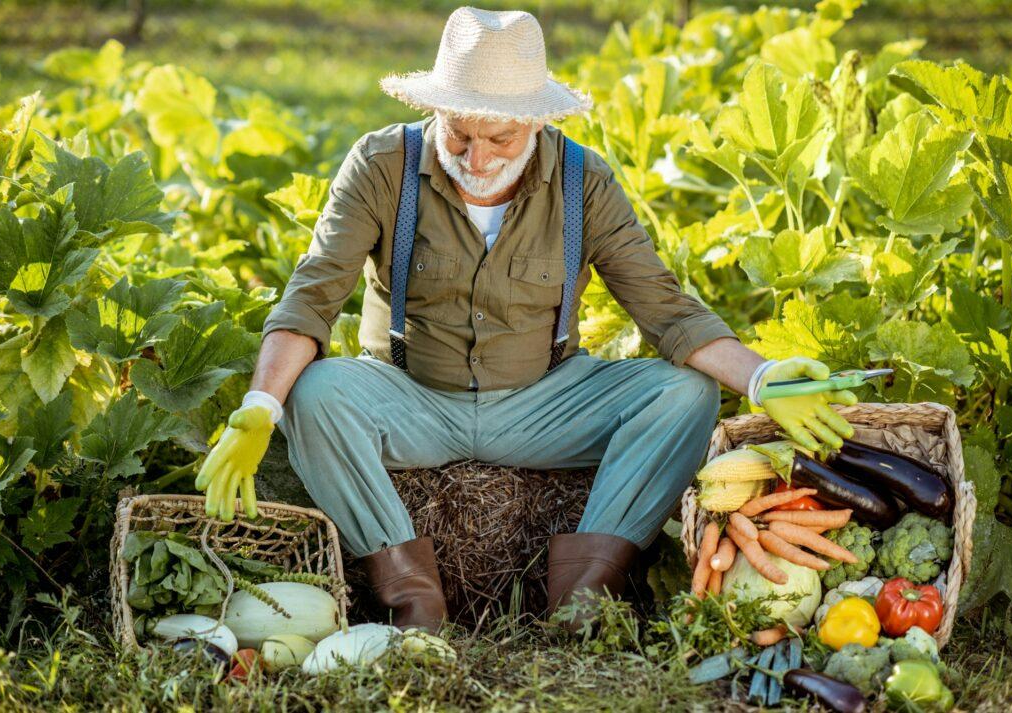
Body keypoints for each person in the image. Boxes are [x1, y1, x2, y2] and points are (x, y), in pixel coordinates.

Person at [194, 7, 857, 634]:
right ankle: (412, 601)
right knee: (316, 392)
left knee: (686, 392)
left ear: (536, 122)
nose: (476, 158)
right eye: (459, 133)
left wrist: (764, 377)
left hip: (545, 401)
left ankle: (585, 599)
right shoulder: (381, 166)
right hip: (409, 398)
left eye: (499, 137)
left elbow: (666, 309)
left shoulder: (583, 182)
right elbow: (311, 297)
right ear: (436, 110)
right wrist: (260, 406)